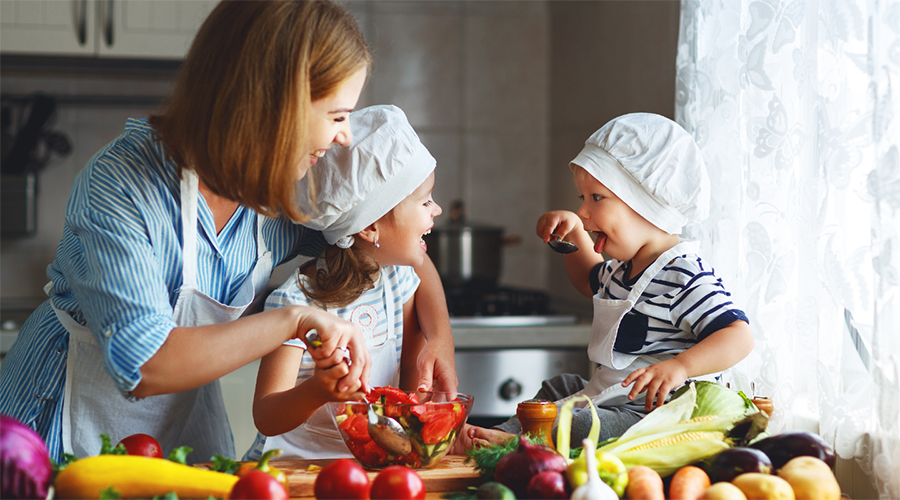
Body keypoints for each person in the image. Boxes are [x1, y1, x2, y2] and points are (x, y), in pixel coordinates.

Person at [0, 1, 456, 464]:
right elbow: (144, 363)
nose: (342, 136)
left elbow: (383, 242)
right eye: (337, 116)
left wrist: (437, 337)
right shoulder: (120, 186)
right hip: (54, 434)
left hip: (183, 431)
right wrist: (293, 320)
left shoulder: (281, 194)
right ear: (277, 104)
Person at [468, 112, 755, 446]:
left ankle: (516, 445)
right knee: (558, 388)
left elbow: (738, 336)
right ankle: (500, 435)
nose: (583, 212)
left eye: (596, 198)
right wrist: (573, 232)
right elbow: (589, 277)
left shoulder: (685, 274)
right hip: (613, 396)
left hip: (653, 415)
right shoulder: (623, 268)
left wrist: (680, 366)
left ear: (645, 203)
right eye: (582, 199)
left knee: (586, 424)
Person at [243, 104, 444, 460]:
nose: (437, 210)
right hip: (293, 472)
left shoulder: (397, 279)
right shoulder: (297, 303)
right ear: (369, 227)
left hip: (367, 465)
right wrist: (318, 391)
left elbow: (411, 367)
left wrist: (413, 438)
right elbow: (266, 415)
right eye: (425, 200)